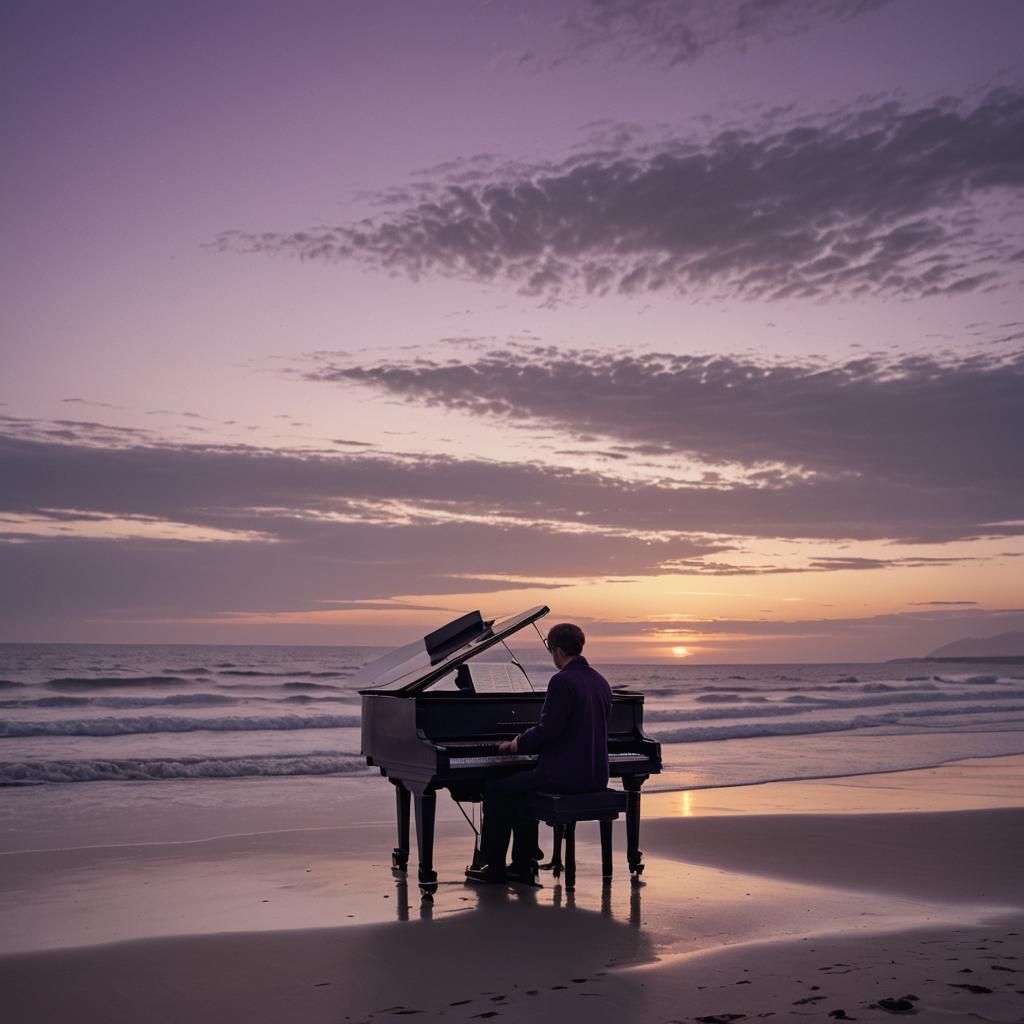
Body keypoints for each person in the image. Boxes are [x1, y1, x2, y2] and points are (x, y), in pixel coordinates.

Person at [467, 622, 612, 884]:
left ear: (556, 650)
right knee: (520, 787)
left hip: (563, 778)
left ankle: (494, 866)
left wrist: (516, 745)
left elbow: (549, 731)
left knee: (495, 788)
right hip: (595, 776)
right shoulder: (600, 681)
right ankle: (523, 863)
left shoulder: (561, 681)